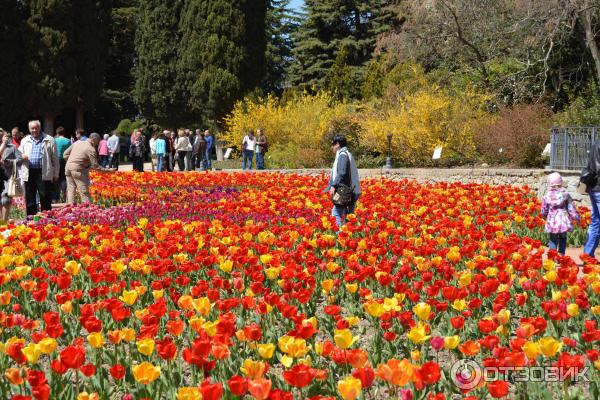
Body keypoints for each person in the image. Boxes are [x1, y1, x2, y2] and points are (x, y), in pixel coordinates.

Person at [19, 120, 59, 216]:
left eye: (36, 128)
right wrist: (21, 155)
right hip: (29, 172)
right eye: (32, 128)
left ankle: (46, 219)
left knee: (45, 196)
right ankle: (31, 219)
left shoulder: (49, 139)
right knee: (30, 198)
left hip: (44, 172)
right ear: (29, 129)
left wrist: (56, 173)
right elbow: (18, 154)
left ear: (40, 128)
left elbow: (55, 158)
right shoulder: (25, 140)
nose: (34, 130)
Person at [325, 135, 361, 229]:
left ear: (337, 144)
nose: (332, 147)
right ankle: (349, 236)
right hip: (353, 189)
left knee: (336, 212)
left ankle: (339, 235)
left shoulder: (342, 155)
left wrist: (333, 185)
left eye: (333, 144)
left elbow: (342, 172)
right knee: (349, 216)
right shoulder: (347, 153)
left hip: (345, 191)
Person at [541, 172, 579, 255]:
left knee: (553, 239)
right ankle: (561, 255)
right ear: (560, 182)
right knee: (563, 237)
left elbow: (544, 209)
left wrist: (544, 216)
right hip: (563, 220)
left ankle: (553, 256)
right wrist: (576, 217)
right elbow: (571, 208)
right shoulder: (565, 194)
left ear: (550, 183)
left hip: (552, 220)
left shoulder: (547, 195)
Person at [63, 133, 102, 204]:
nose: (97, 144)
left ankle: (70, 208)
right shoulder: (90, 148)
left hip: (68, 167)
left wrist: (71, 162)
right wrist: (104, 170)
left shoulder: (77, 142)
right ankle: (88, 210)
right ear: (94, 140)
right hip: (78, 170)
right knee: (84, 191)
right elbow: (95, 165)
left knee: (70, 189)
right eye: (98, 142)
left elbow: (65, 154)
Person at [0, 130, 23, 222]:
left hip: (7, 177)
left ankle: (4, 223)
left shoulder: (12, 147)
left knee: (5, 200)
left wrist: (9, 162)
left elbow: (20, 159)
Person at [54, 127, 72, 202]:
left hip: (55, 160)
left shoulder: (54, 140)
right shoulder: (68, 141)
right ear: (64, 133)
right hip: (64, 161)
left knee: (55, 177)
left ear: (57, 133)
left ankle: (55, 197)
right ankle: (63, 196)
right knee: (63, 178)